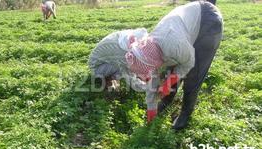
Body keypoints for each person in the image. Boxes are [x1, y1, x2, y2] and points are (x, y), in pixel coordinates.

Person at [88, 0, 223, 130]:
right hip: (183, 29)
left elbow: (188, 62)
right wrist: (151, 116)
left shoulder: (173, 45)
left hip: (208, 20)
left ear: (154, 65)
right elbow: (151, 86)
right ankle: (166, 101)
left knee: (194, 73)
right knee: (171, 72)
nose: (147, 77)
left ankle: (185, 114)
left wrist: (168, 83)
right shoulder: (149, 52)